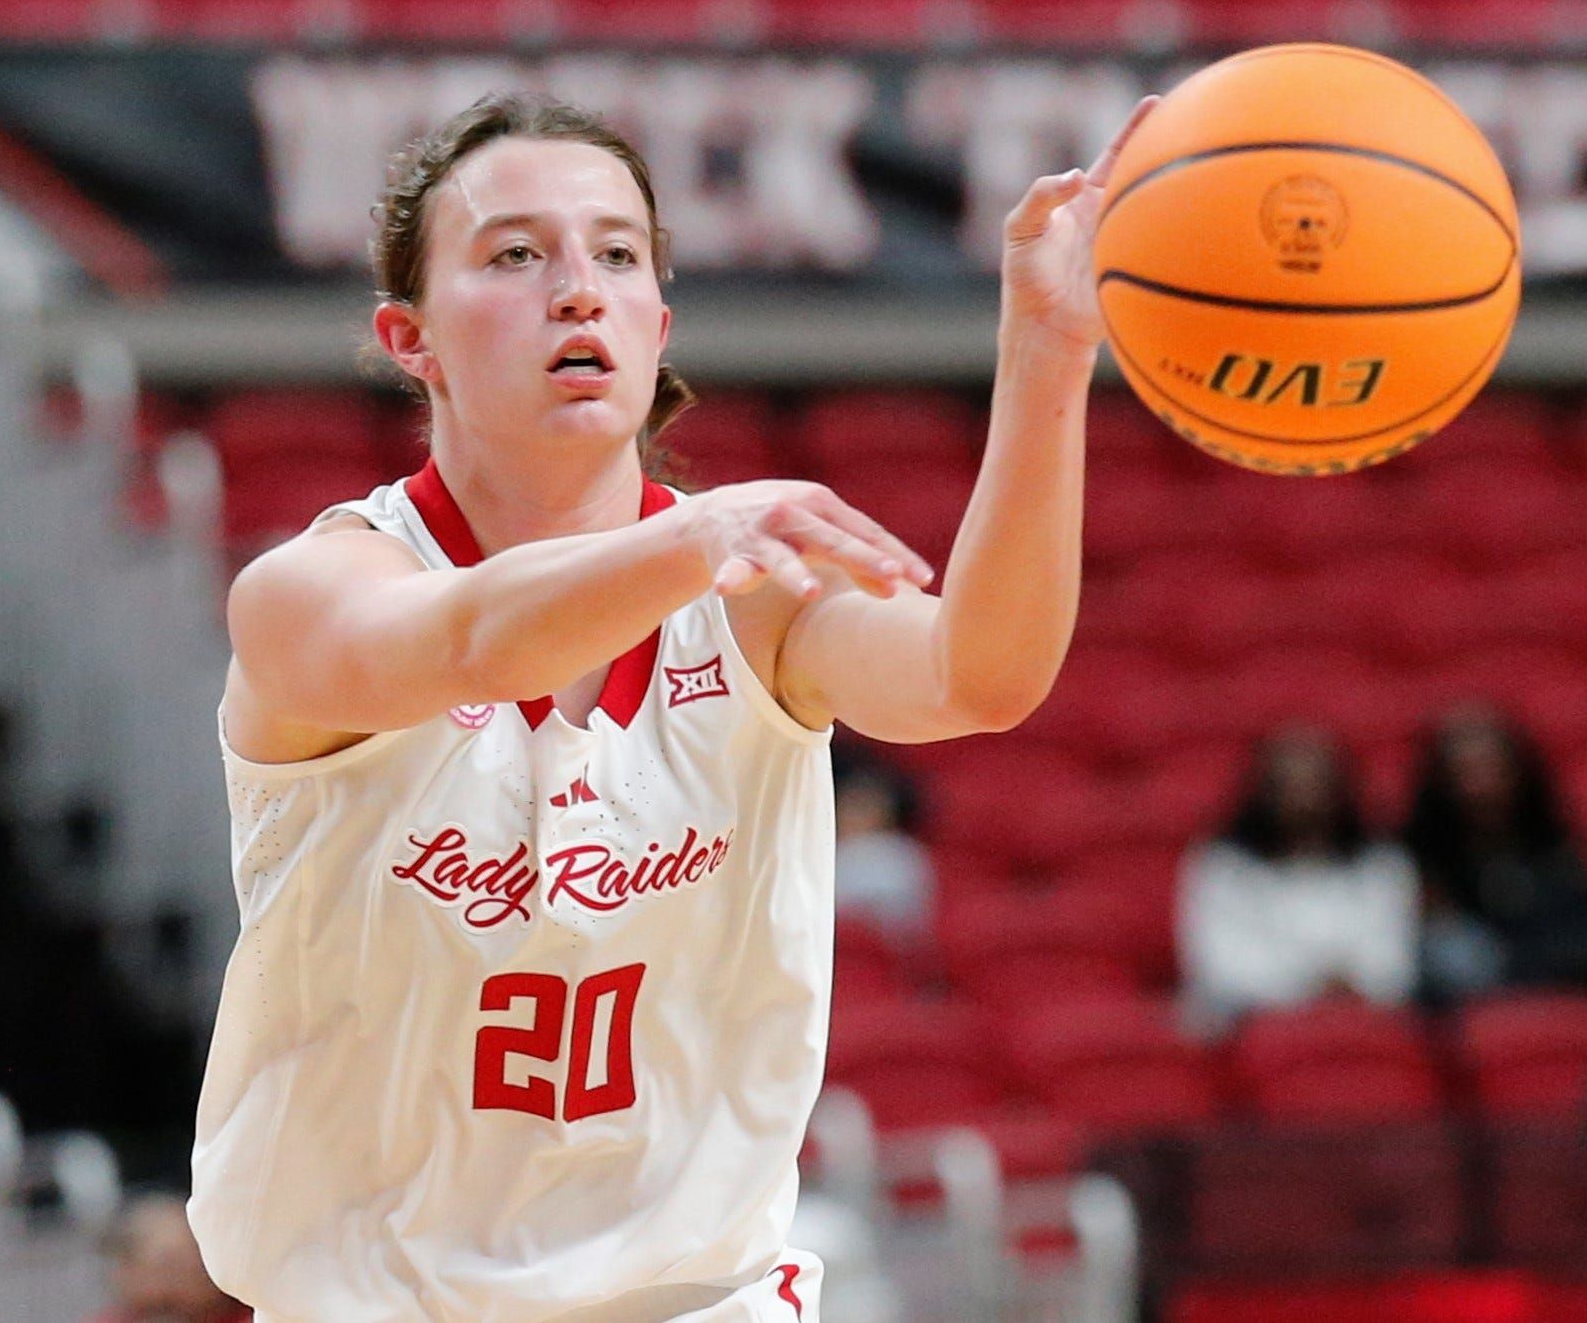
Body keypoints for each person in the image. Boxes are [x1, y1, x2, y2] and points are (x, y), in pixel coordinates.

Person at [187, 90, 1155, 1322]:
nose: (579, 288)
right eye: (516, 254)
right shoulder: (310, 592)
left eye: (618, 253)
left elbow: (982, 676)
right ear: (409, 336)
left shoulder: (750, 601)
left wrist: (1051, 349)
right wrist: (696, 535)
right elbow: (475, 638)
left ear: (658, 324)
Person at [1179, 724, 1420, 1031]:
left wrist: (1347, 988)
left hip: (1359, 1021)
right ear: (1264, 791)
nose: (1304, 798)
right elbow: (1220, 966)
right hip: (1246, 1025)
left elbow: (1391, 965)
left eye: (1316, 785)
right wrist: (1310, 985)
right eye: (1289, 786)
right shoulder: (1224, 865)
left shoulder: (1382, 863)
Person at [1405, 702, 1587, 1005]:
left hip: (1554, 998)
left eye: (1492, 769)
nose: (1479, 787)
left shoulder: (1560, 855)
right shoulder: (1419, 867)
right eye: (1464, 772)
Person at [89, 1193, 248, 1323]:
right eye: (168, 1267)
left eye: (191, 1267)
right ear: (126, 1271)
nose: (179, 1284)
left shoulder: (260, 1314)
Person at [831, 744, 932, 944]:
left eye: (867, 807)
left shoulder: (901, 855)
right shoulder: (819, 852)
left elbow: (908, 928)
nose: (859, 816)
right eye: (853, 806)